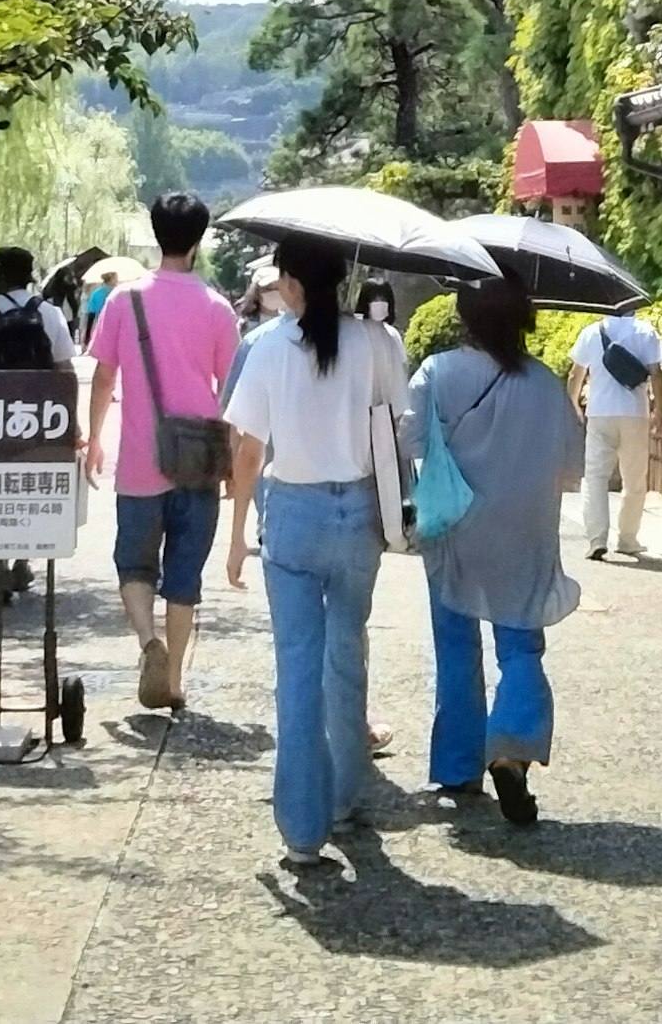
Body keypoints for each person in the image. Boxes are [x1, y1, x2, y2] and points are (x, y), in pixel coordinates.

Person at [222, 233, 413, 873]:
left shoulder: (269, 346)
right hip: (359, 513)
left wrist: (236, 535)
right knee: (346, 651)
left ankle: (303, 832)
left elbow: (248, 452)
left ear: (294, 285)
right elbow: (400, 425)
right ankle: (347, 800)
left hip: (295, 516)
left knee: (297, 670)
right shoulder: (378, 343)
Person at [413, 281, 579, 828]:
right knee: (521, 644)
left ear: (463, 316)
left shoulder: (437, 373)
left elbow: (408, 440)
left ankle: (459, 765)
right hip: (523, 529)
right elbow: (571, 468)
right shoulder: (546, 385)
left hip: (455, 526)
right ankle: (510, 745)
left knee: (456, 643)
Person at [82, 196, 238, 712]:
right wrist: (235, 465)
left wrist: (94, 436)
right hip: (198, 462)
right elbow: (232, 395)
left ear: (156, 235)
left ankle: (148, 641)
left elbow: (105, 377)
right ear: (197, 243)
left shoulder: (124, 301)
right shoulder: (218, 309)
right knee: (185, 576)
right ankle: (172, 681)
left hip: (141, 462)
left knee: (134, 564)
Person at [0, 245, 72, 605]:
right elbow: (65, 370)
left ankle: (1, 569)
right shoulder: (49, 314)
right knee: (31, 491)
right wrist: (70, 423)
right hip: (40, 419)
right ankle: (23, 561)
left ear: (2, 277)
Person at [568, 298, 662, 562]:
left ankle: (597, 539)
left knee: (595, 477)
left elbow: (574, 374)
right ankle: (627, 538)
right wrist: (660, 411)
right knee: (634, 479)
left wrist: (574, 406)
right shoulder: (645, 332)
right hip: (634, 413)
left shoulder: (591, 332)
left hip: (600, 412)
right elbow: (657, 374)